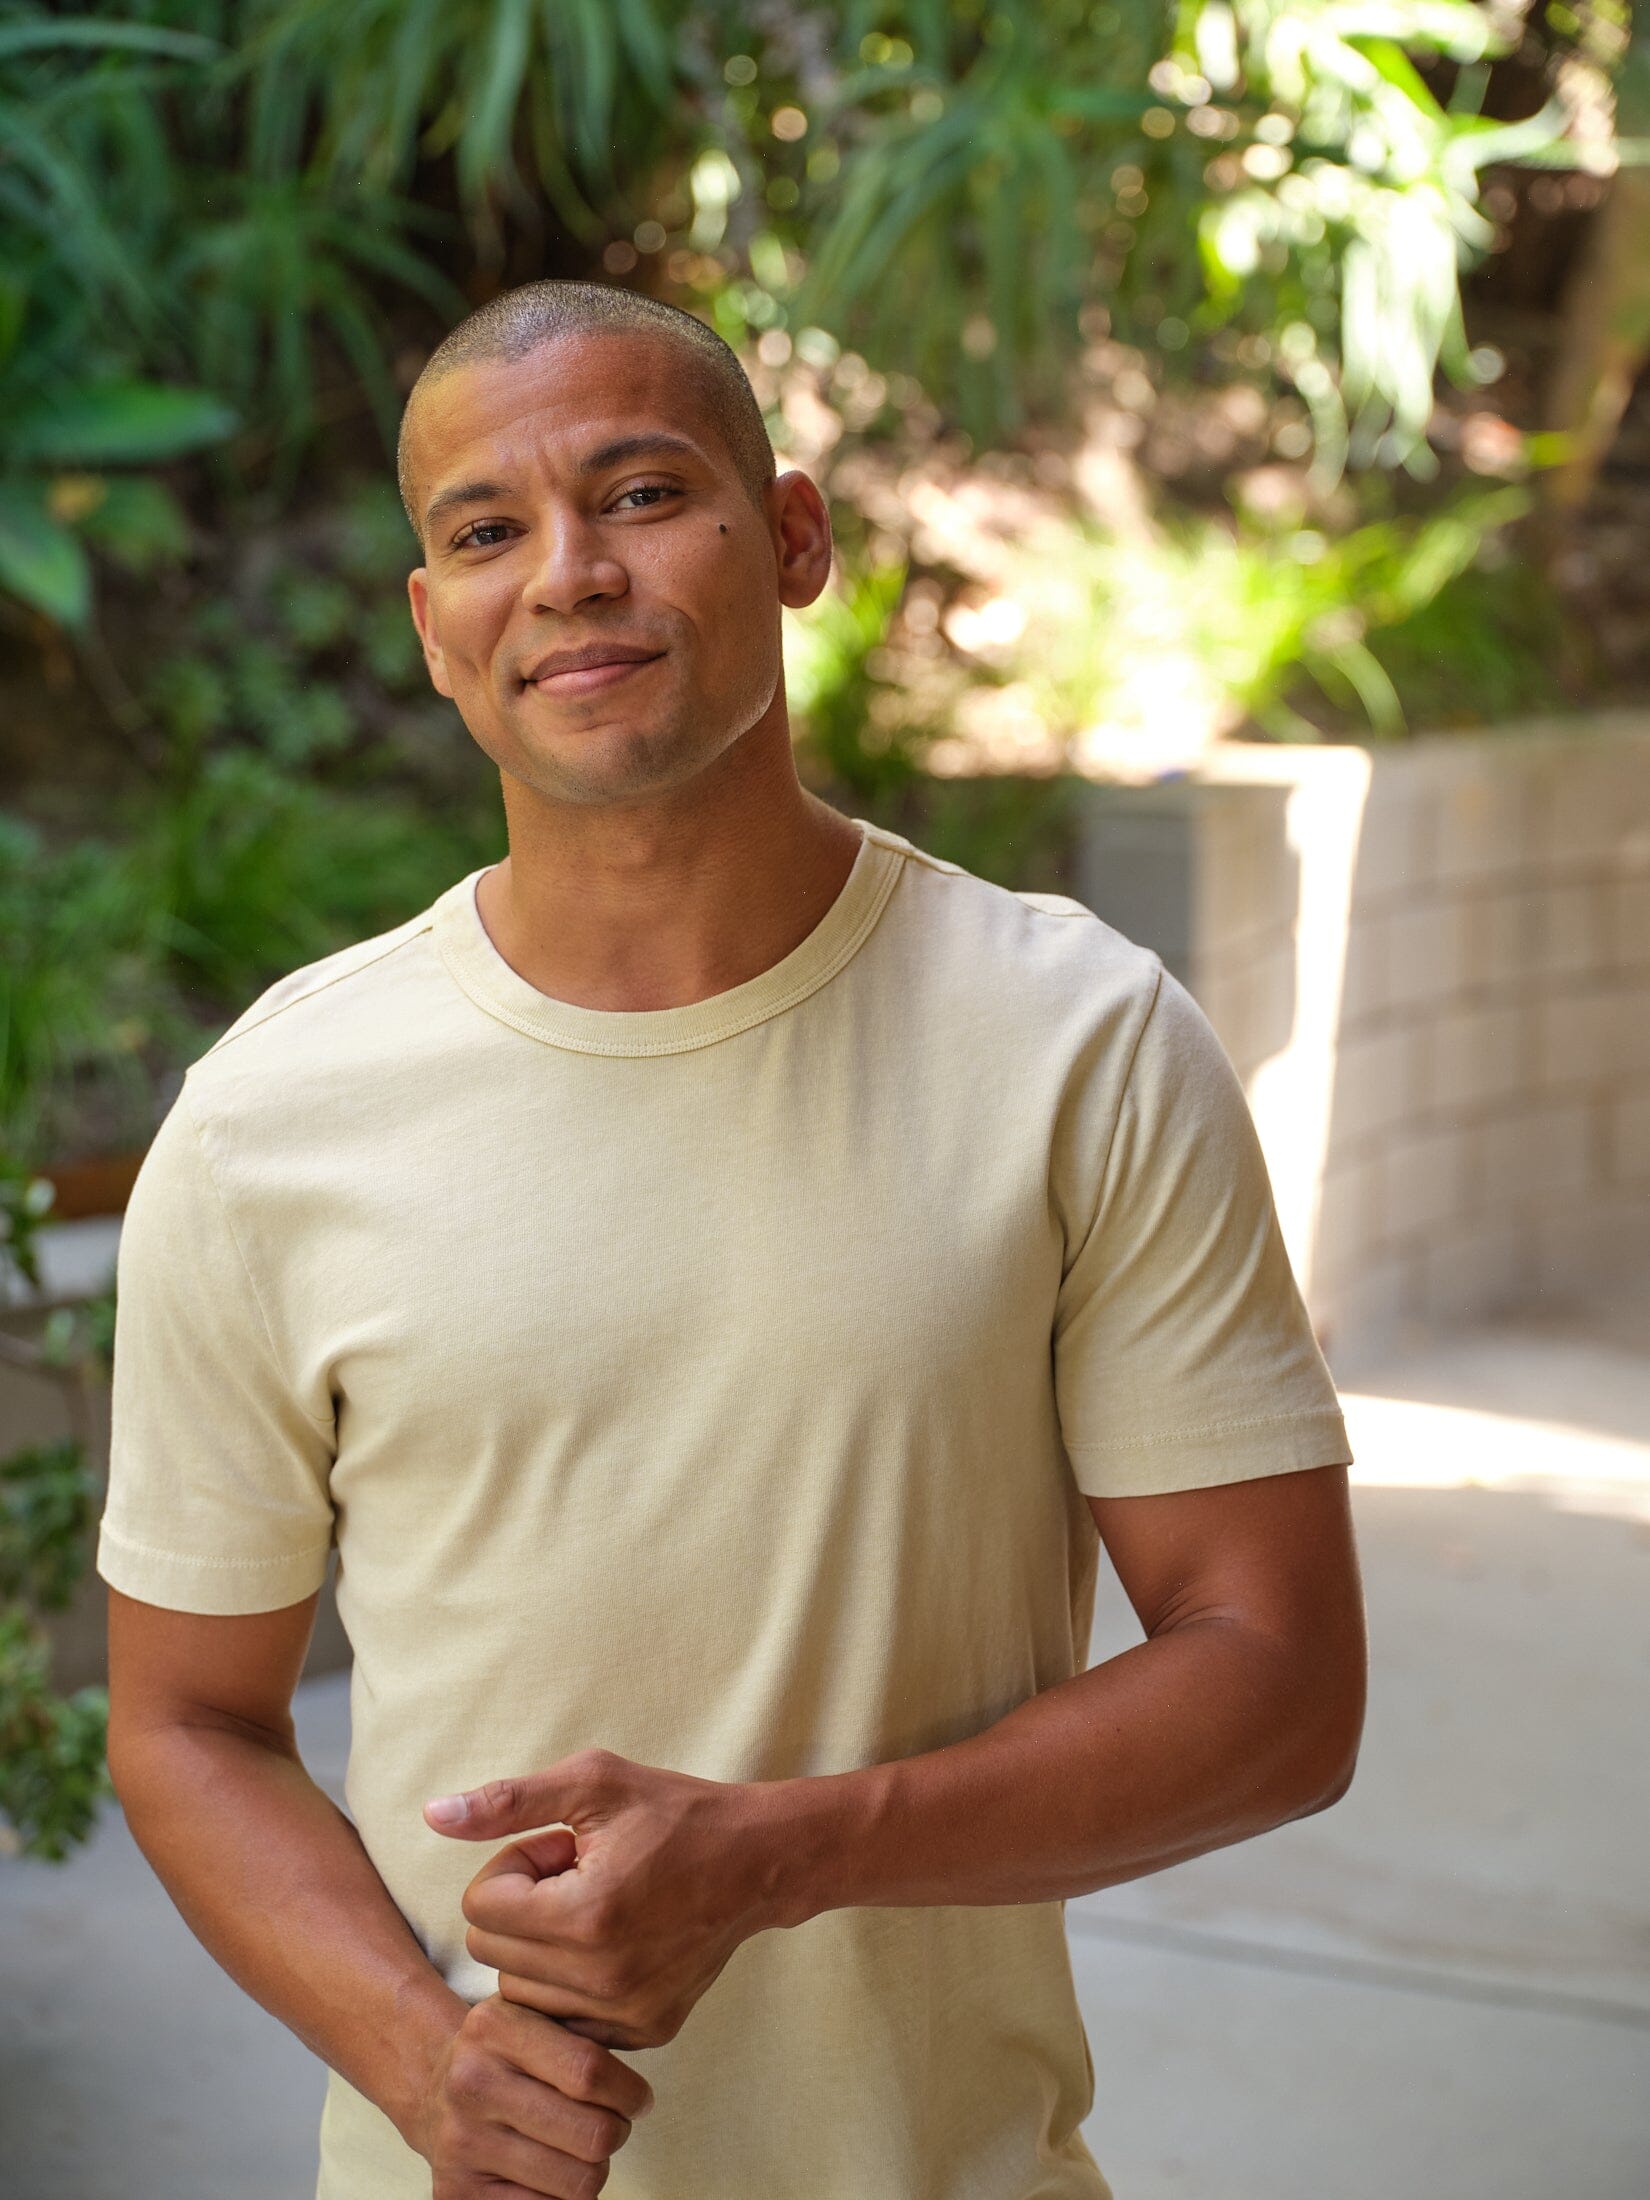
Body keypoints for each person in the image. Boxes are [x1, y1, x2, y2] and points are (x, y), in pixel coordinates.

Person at [98, 279, 1367, 2200]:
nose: (568, 575)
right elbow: (187, 1722)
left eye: (639, 494)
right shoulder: (268, 1118)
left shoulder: (1074, 1042)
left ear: (789, 539)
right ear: (433, 628)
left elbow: (1275, 1683)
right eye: (487, 532)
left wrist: (782, 1855)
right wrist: (427, 2064)